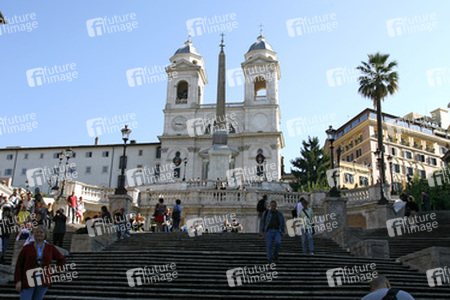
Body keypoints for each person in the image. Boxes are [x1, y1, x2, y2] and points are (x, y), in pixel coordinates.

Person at [15, 225, 66, 300]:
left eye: (41, 232)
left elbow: (62, 260)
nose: (39, 234)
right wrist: (18, 280)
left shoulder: (50, 248)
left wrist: (55, 270)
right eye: (37, 232)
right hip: (28, 277)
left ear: (45, 234)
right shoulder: (27, 247)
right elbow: (19, 264)